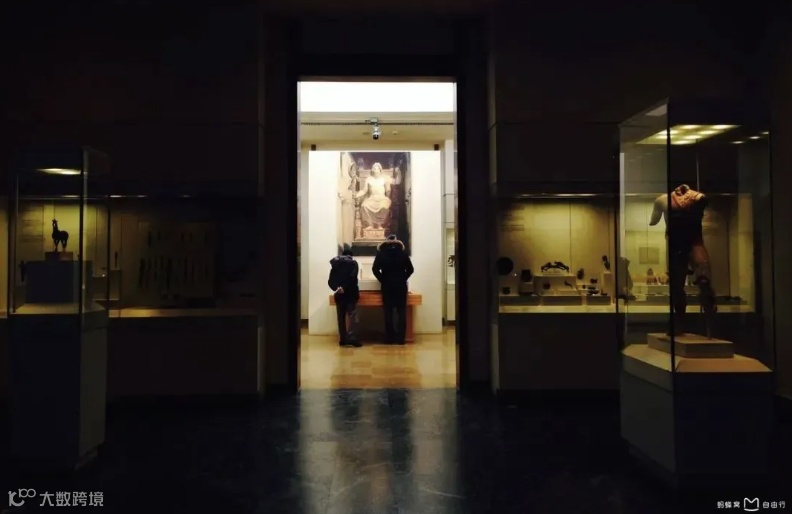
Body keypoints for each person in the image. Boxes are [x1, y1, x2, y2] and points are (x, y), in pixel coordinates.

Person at [372, 234, 414, 344]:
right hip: (401, 286)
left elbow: (375, 269)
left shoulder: (381, 254)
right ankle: (401, 339)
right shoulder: (403, 253)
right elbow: (410, 269)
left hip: (387, 286)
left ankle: (389, 338)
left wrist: (383, 279)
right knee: (401, 311)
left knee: (388, 312)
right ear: (396, 241)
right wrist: (403, 278)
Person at [328, 248, 361, 347]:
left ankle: (343, 339)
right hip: (351, 294)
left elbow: (330, 281)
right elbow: (352, 278)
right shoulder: (353, 263)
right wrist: (344, 287)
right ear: (351, 255)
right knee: (353, 318)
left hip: (339, 296)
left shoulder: (335, 265)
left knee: (341, 318)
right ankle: (352, 338)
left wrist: (337, 288)